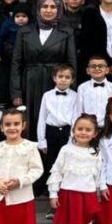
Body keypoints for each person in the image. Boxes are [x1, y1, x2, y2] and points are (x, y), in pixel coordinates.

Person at [11, 0, 77, 150]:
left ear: (59, 9)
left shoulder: (67, 32)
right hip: (30, 83)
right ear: (38, 8)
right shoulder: (24, 31)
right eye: (45, 6)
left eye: (53, 7)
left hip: (56, 82)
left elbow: (71, 62)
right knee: (31, 121)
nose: (48, 10)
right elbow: (16, 63)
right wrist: (16, 92)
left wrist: (72, 90)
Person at [48, 114, 103, 224]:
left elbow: (99, 175)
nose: (83, 132)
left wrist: (99, 193)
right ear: (73, 130)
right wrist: (53, 193)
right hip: (68, 195)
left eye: (88, 130)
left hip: (87, 195)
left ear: (94, 133)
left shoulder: (96, 152)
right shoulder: (66, 150)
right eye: (80, 129)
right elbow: (56, 171)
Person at [38, 64, 82, 203]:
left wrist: (72, 137)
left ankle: (65, 190)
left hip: (67, 132)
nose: (63, 79)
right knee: (52, 162)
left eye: (67, 77)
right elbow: (42, 118)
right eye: (60, 76)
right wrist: (42, 140)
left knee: (67, 162)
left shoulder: (76, 96)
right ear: (54, 78)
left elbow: (76, 117)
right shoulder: (47, 95)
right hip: (51, 131)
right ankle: (51, 192)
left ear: (72, 80)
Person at [0, 2, 31, 131]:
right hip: (9, 57)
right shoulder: (8, 24)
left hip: (26, 59)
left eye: (24, 16)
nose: (21, 19)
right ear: (13, 17)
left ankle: (21, 106)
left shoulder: (31, 27)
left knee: (22, 82)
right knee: (5, 81)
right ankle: (1, 107)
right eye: (18, 16)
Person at [78, 55, 112, 127]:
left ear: (107, 70)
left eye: (101, 66)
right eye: (93, 66)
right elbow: (78, 110)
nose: (97, 68)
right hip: (88, 127)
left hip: (108, 127)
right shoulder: (82, 88)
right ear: (87, 70)